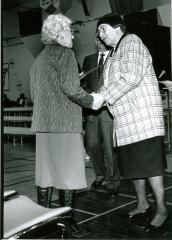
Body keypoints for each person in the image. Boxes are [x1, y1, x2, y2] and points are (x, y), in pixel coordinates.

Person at [91, 14, 169, 232]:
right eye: (99, 31)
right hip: (126, 121)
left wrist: (102, 97)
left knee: (149, 165)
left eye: (103, 28)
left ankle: (162, 208)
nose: (100, 34)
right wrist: (99, 96)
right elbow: (112, 83)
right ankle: (143, 203)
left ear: (119, 28)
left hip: (143, 118)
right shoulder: (114, 52)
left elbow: (132, 76)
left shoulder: (131, 41)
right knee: (134, 166)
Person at [30, 13, 100, 237]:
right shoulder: (66, 53)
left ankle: (41, 222)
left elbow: (36, 94)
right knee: (68, 176)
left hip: (43, 124)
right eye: (70, 31)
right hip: (64, 125)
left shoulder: (39, 59)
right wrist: (92, 101)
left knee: (46, 175)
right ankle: (68, 222)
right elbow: (71, 89)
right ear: (59, 33)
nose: (72, 35)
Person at [81, 35, 120, 195]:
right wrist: (90, 94)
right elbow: (83, 83)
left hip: (108, 110)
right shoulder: (88, 59)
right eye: (96, 39)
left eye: (102, 39)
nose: (99, 42)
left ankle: (112, 180)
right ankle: (100, 175)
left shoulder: (116, 57)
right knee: (92, 144)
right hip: (91, 110)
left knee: (110, 148)